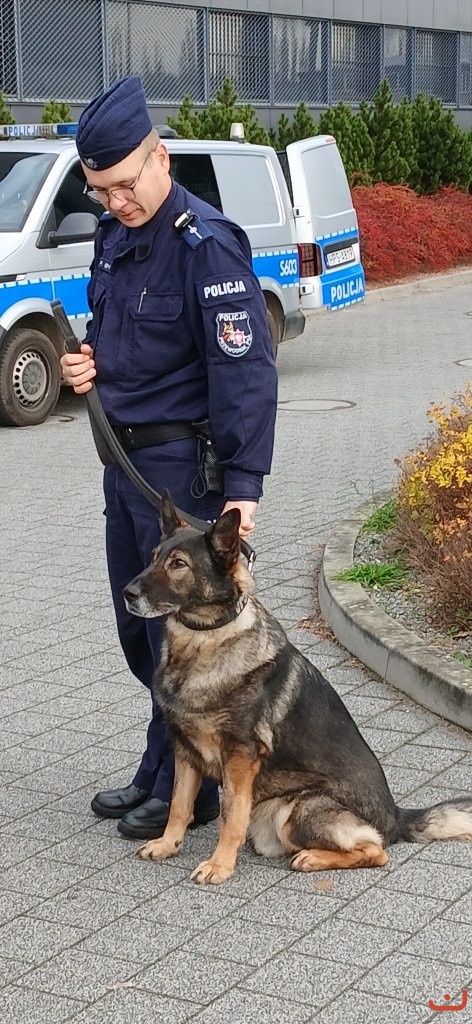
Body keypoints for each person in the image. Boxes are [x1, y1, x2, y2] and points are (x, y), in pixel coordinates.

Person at [60, 75, 278, 841]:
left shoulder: (205, 244)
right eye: (101, 190)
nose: (115, 201)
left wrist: (244, 486)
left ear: (160, 158)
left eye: (125, 184)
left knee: (177, 636)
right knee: (140, 630)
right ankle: (162, 765)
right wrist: (86, 364)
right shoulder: (115, 237)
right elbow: (115, 335)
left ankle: (194, 786)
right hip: (124, 466)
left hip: (182, 471)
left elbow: (244, 372)